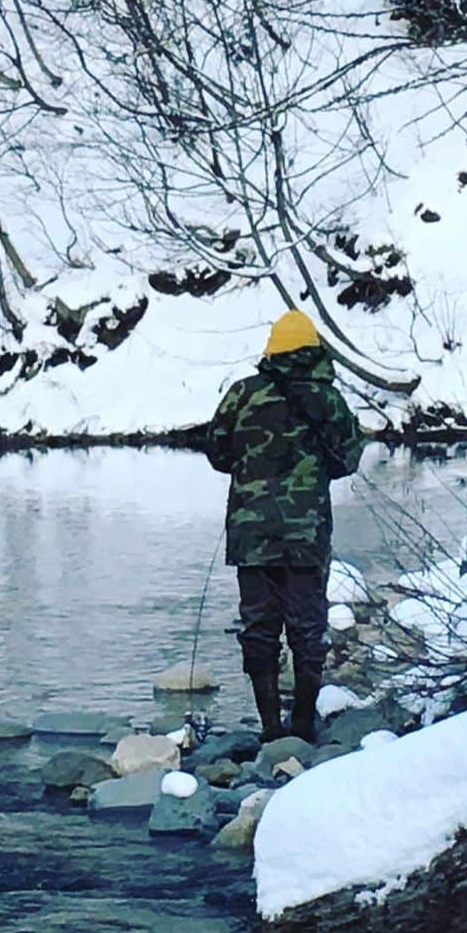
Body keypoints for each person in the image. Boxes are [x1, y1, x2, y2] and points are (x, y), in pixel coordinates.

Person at [206, 310, 364, 743]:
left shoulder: (243, 394)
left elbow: (217, 453)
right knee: (307, 627)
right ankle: (303, 724)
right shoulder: (328, 400)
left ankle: (270, 728)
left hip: (251, 534)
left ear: (272, 348)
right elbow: (349, 459)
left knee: (259, 627)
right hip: (307, 535)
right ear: (312, 349)